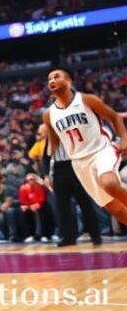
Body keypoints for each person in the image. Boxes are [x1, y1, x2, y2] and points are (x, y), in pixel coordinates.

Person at [44, 69, 127, 226]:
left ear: (69, 81)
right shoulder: (48, 114)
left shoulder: (87, 99)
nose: (52, 81)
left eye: (56, 77)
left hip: (101, 151)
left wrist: (124, 138)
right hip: (79, 163)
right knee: (113, 207)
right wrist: (50, 173)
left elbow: (114, 116)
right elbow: (54, 145)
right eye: (49, 79)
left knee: (110, 184)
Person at [43, 121, 102, 247]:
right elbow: (45, 157)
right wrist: (46, 174)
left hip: (77, 166)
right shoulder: (51, 135)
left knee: (85, 203)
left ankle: (95, 235)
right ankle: (68, 237)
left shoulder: (76, 131)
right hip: (59, 169)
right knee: (62, 206)